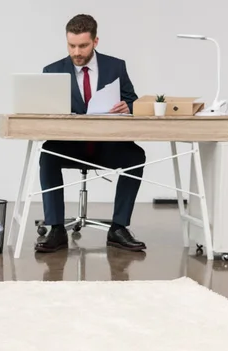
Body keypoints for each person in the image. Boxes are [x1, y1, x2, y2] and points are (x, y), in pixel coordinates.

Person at [35, 13, 146, 254]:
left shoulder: (116, 66)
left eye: (83, 46)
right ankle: (56, 228)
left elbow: (133, 100)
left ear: (95, 42)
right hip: (70, 145)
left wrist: (129, 106)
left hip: (107, 144)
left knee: (136, 156)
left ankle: (118, 228)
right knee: (47, 155)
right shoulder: (52, 70)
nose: (76, 52)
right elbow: (43, 112)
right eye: (71, 45)